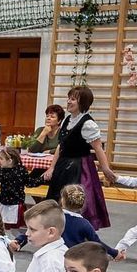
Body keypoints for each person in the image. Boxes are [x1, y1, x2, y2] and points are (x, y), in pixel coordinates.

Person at [43, 87, 117, 229]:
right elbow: (61, 146)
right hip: (63, 166)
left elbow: (97, 148)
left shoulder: (88, 124)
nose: (68, 101)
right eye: (68, 98)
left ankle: (77, 232)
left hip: (79, 167)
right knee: (57, 199)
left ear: (82, 102)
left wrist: (106, 168)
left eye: (73, 99)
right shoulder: (67, 120)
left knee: (76, 202)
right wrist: (52, 167)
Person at [60, 185, 117, 256]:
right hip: (76, 258)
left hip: (56, 254)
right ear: (83, 203)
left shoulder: (55, 216)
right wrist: (114, 253)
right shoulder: (84, 224)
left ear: (63, 200)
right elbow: (97, 243)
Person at [0, 146, 31, 229]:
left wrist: (42, 179)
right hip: (4, 203)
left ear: (9, 161)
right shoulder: (0, 172)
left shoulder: (21, 170)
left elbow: (29, 183)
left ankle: (17, 240)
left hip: (16, 205)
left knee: (16, 229)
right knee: (1, 227)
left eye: (1, 158)